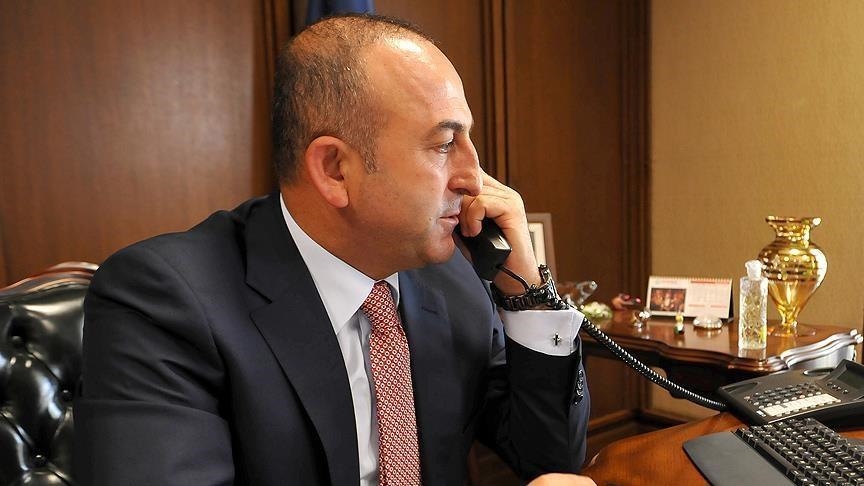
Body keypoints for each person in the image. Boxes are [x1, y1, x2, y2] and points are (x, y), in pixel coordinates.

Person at [74, 14, 593, 486]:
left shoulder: (450, 278)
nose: (474, 178)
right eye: (443, 145)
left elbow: (549, 461)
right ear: (334, 169)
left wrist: (527, 293)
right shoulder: (163, 300)